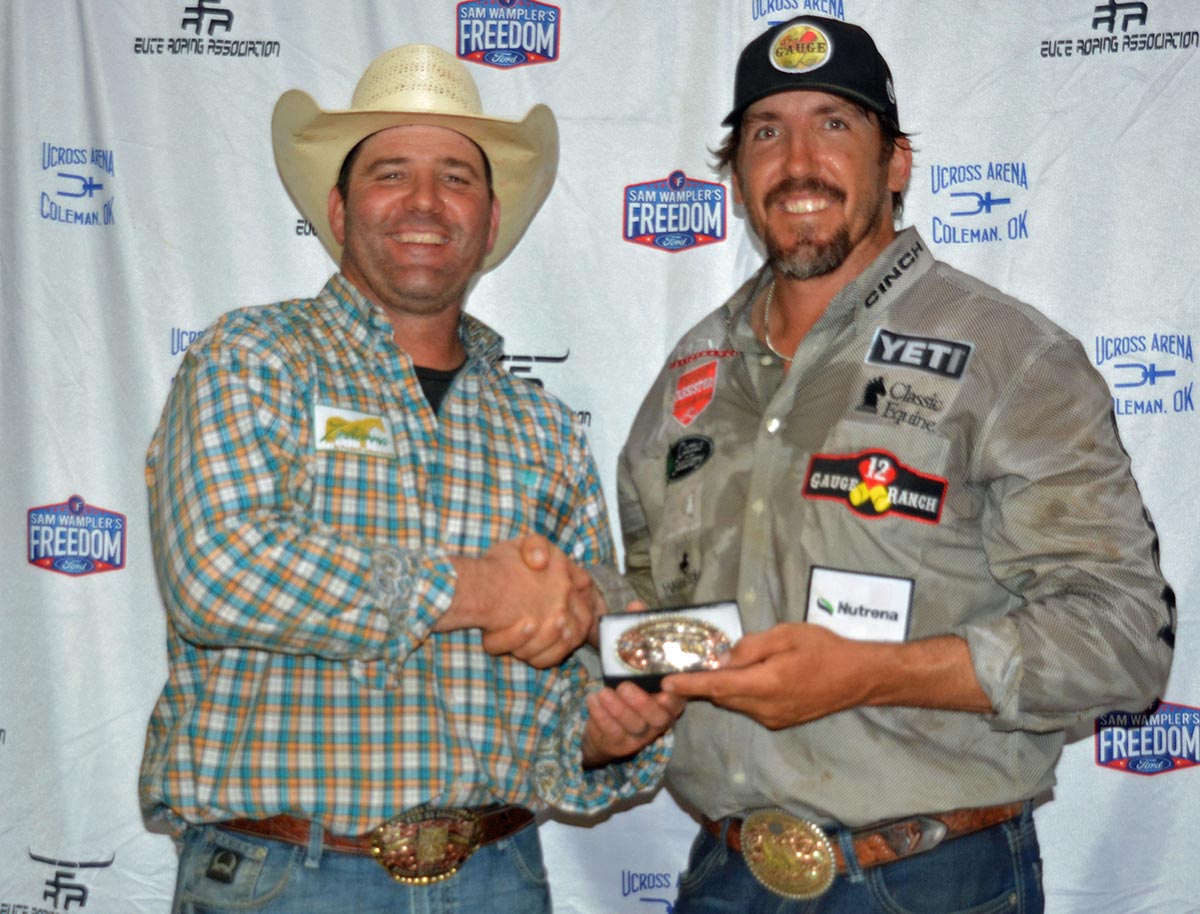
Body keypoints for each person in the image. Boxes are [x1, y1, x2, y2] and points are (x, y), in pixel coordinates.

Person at [617, 15, 1175, 913]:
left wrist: (874, 671)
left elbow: (1121, 638)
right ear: (736, 172)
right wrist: (622, 683)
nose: (797, 160)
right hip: (725, 875)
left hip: (929, 880)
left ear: (898, 163)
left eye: (834, 123)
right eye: (767, 131)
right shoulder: (691, 371)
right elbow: (647, 594)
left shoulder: (1008, 355)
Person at [141, 44, 680, 913]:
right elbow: (217, 575)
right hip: (289, 882)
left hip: (500, 875)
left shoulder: (542, 430)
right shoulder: (251, 358)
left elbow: (567, 682)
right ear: (339, 206)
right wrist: (478, 590)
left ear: (491, 218)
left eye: (457, 178)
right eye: (392, 172)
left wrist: (602, 736)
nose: (426, 201)